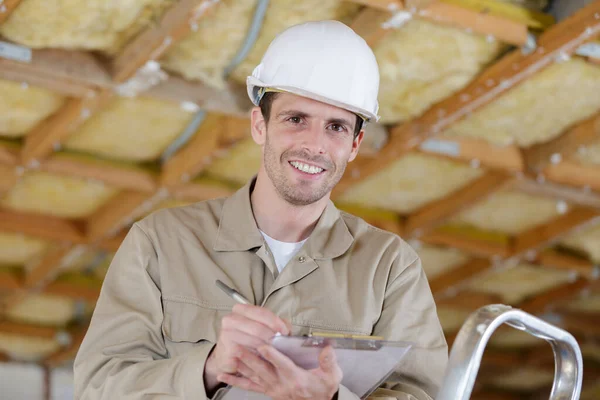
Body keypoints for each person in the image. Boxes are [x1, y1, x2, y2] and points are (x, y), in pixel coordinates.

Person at [74, 20, 448, 400]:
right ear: (259, 125)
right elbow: (98, 387)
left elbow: (423, 395)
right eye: (296, 119)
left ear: (354, 145)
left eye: (335, 127)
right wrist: (211, 367)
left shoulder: (389, 268)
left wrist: (330, 399)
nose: (314, 145)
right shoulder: (161, 242)